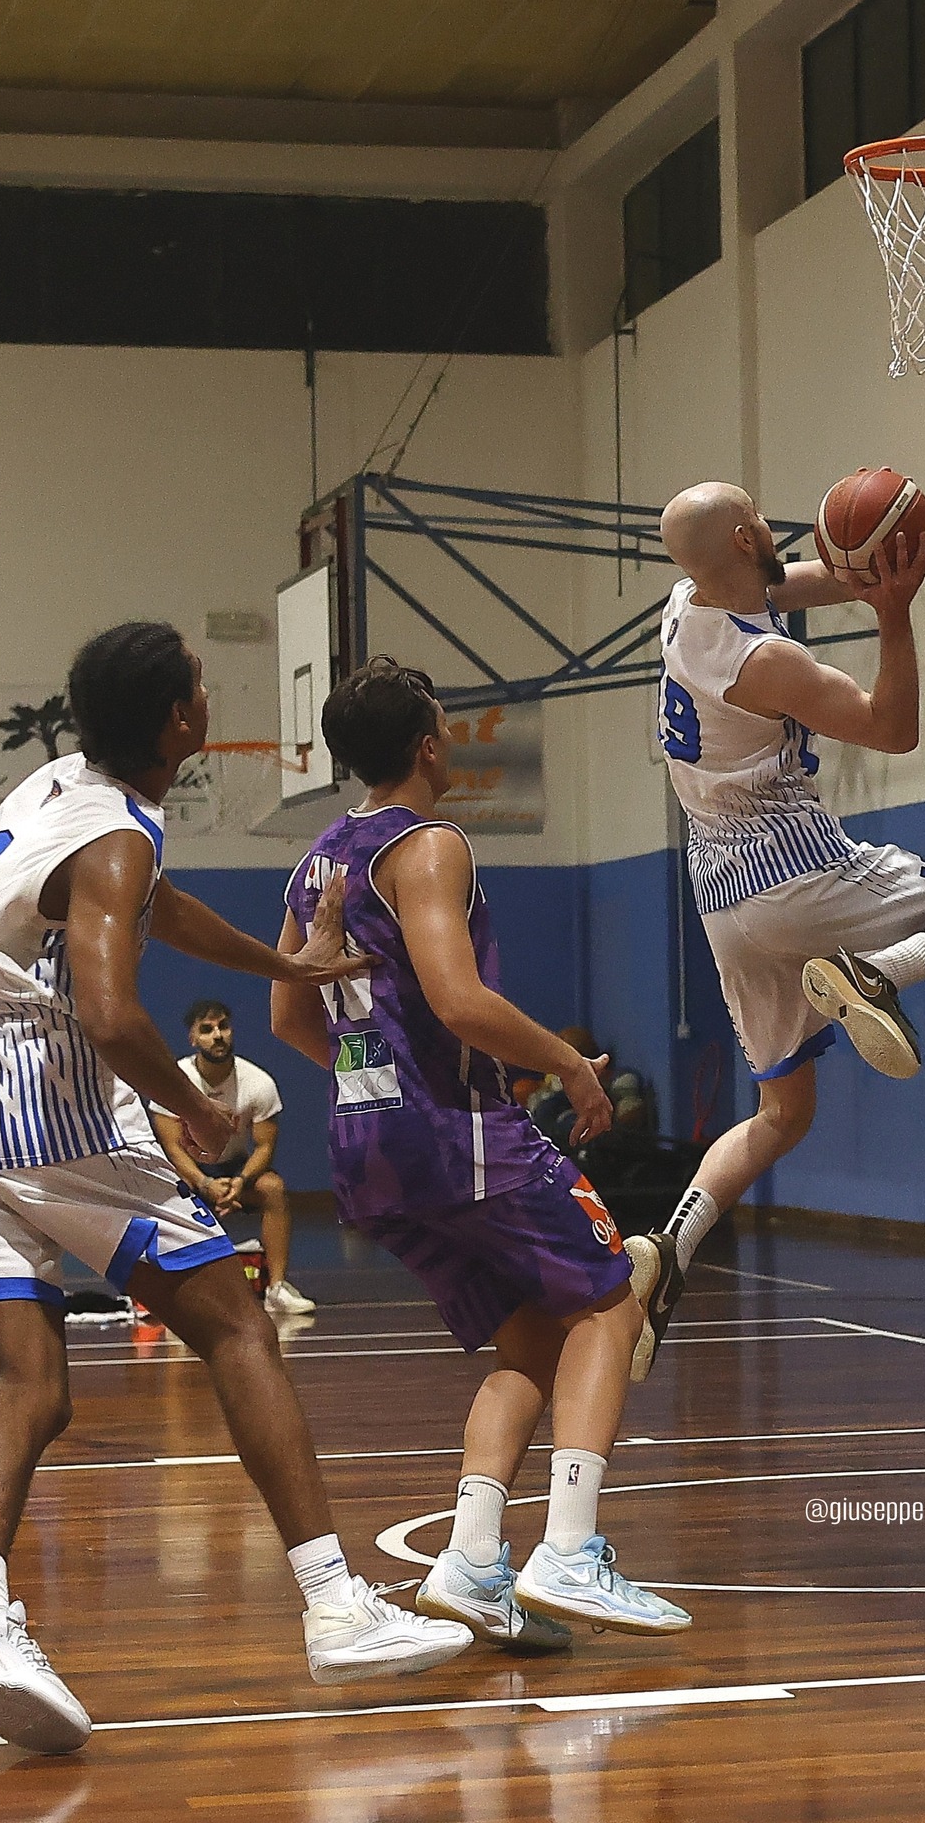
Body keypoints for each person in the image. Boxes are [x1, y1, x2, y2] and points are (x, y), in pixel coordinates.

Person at [0, 621, 470, 1754]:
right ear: (181, 723)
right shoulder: (114, 842)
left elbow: (154, 903)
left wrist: (280, 963)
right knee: (236, 1324)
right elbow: (107, 1007)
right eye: (202, 686)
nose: (209, 696)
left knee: (33, 1379)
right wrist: (193, 1106)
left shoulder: (62, 786)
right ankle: (335, 1604)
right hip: (35, 1106)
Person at [272, 655, 689, 1644]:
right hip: (456, 1132)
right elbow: (458, 997)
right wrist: (565, 1066)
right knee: (609, 1297)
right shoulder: (429, 844)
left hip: (361, 1142)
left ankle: (469, 1562)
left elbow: (289, 1011)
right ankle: (573, 1549)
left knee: (530, 1344)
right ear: (427, 742)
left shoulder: (316, 861)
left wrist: (374, 1063)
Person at [626, 480, 925, 1378]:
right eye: (759, 517)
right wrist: (893, 619)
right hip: (800, 871)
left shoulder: (685, 605)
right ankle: (880, 974)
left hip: (719, 897)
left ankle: (669, 1250)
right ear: (745, 533)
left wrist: (871, 576)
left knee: (781, 1113)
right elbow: (892, 731)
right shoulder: (761, 661)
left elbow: (785, 580)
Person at [151, 997, 313, 1315]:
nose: (218, 1035)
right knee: (152, 1194)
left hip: (236, 1169)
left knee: (273, 1189)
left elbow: (265, 1146)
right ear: (193, 1038)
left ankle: (277, 1289)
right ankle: (164, 1293)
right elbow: (170, 1146)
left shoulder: (257, 1082)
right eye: (207, 1029)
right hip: (186, 1171)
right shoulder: (175, 1079)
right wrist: (203, 1182)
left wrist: (240, 1182)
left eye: (223, 1026)